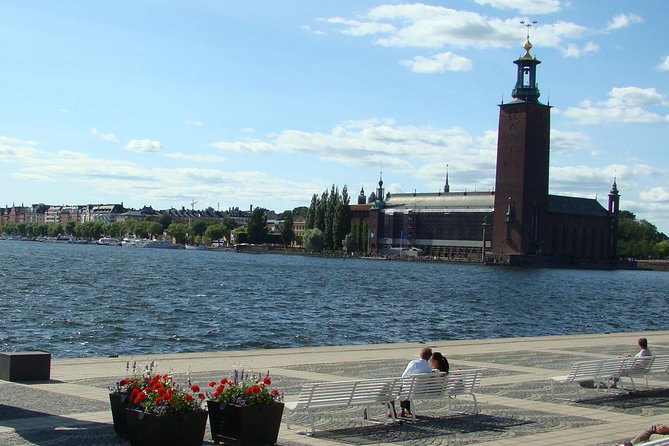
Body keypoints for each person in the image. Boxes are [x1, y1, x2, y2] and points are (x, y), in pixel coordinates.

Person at [393, 347, 433, 418]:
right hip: (421, 390)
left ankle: (402, 410)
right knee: (409, 387)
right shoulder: (429, 368)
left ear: (421, 354)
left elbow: (403, 376)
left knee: (404, 387)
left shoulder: (414, 363)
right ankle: (407, 410)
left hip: (411, 390)